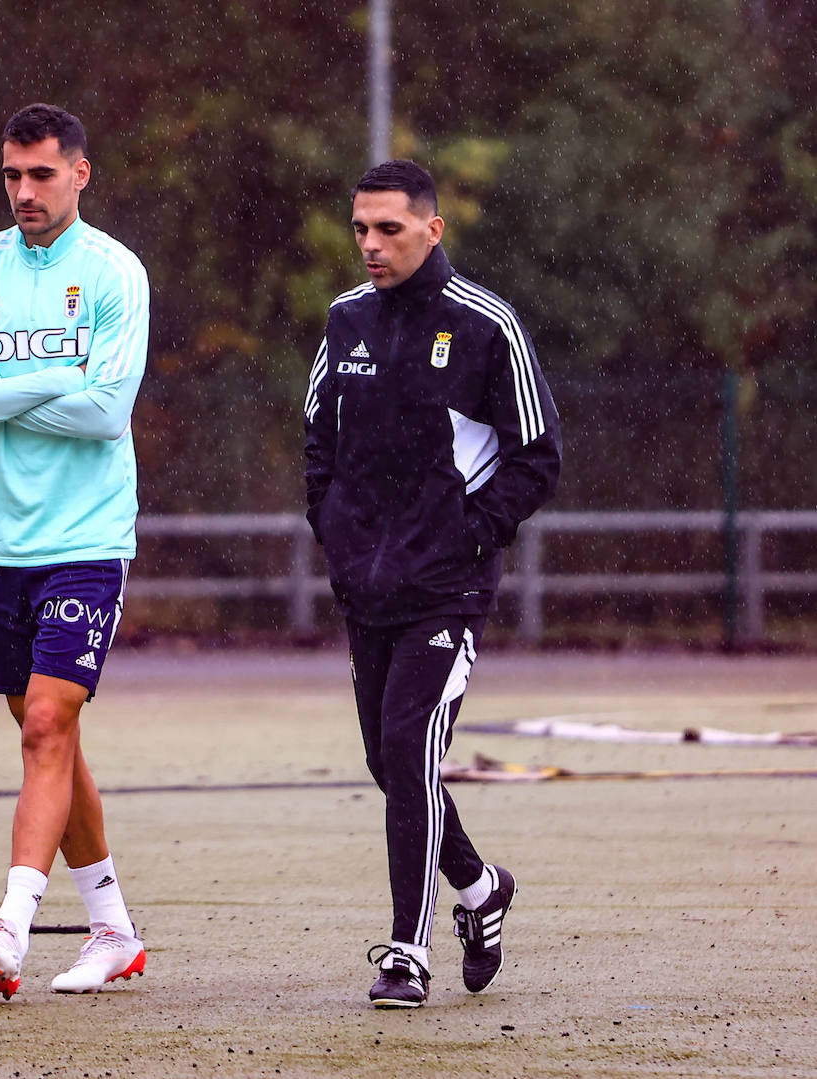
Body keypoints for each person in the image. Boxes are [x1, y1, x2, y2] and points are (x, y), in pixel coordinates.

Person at [303, 159, 562, 1008]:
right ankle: (483, 890)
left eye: (388, 229)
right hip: (365, 590)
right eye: (361, 230)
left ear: (432, 228)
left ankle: (406, 951)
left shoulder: (487, 325)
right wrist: (340, 540)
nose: (371, 246)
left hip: (447, 593)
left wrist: (467, 541)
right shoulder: (345, 322)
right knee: (389, 760)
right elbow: (317, 445)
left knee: (412, 751)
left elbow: (537, 457)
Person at [0, 103, 149, 999]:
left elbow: (106, 415)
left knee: (50, 724)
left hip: (88, 537)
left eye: (41, 174)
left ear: (81, 173)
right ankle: (113, 928)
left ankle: (11, 925)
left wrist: (2, 384)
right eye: (12, 175)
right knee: (48, 735)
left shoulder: (112, 274)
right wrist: (55, 379)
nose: (23, 191)